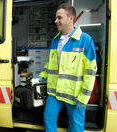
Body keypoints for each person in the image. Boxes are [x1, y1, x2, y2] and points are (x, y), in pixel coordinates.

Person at [38, 3, 97, 132]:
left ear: (71, 18)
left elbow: (90, 71)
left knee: (76, 125)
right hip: (55, 92)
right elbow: (51, 63)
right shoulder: (55, 40)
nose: (56, 21)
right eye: (55, 18)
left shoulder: (85, 40)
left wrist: (84, 97)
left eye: (59, 18)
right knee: (48, 117)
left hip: (74, 95)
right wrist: (43, 75)